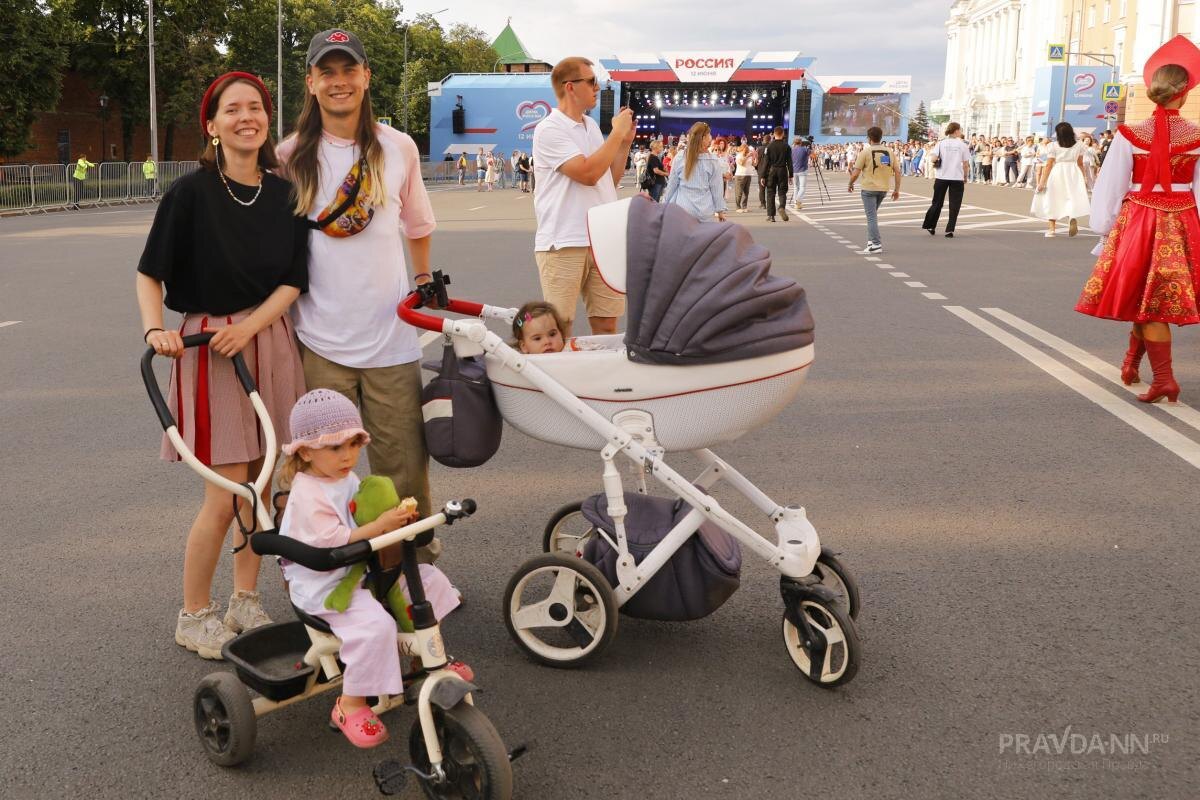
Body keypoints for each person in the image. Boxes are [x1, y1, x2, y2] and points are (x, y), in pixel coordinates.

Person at [135, 71, 309, 659]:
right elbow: (149, 272)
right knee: (225, 490)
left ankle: (243, 599)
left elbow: (293, 281)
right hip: (208, 346)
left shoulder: (284, 192)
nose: (246, 117)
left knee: (261, 486)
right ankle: (193, 613)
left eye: (255, 107)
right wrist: (156, 329)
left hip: (267, 340)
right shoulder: (189, 194)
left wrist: (252, 327)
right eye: (232, 109)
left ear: (267, 120)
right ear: (211, 126)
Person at [276, 29, 442, 554]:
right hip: (319, 339)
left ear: (367, 77)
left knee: (403, 464)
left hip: (391, 337)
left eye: (349, 70)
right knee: (324, 466)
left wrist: (421, 281)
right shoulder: (289, 156)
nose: (340, 82)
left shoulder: (398, 148)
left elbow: (417, 224)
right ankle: (334, 561)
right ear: (311, 82)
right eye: (328, 72)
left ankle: (414, 561)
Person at [277, 389, 465, 748]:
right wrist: (381, 525)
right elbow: (336, 540)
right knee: (374, 627)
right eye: (335, 448)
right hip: (326, 585)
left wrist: (396, 521)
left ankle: (425, 660)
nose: (348, 455)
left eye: (354, 444)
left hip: (363, 570)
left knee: (431, 582)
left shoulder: (343, 478)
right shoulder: (307, 494)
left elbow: (361, 515)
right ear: (304, 451)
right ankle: (350, 703)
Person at [1076, 35, 1200, 404]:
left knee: (1146, 297)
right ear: (1185, 92)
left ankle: (1165, 379)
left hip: (1139, 220)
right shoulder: (1196, 136)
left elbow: (1111, 184)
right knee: (1150, 299)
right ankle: (1131, 361)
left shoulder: (1130, 134)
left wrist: (1105, 227)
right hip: (1183, 221)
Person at [532, 56, 633, 336]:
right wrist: (616, 133)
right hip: (564, 239)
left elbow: (606, 181)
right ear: (570, 87)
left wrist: (623, 144)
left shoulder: (590, 127)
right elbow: (587, 174)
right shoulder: (549, 129)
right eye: (591, 81)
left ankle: (602, 381)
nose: (597, 87)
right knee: (559, 327)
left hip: (601, 239)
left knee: (606, 324)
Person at [847, 126, 901, 254]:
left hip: (868, 188)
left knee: (871, 217)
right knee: (872, 216)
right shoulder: (889, 152)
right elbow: (898, 171)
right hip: (883, 189)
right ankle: (870, 241)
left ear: (869, 138)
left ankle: (876, 243)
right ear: (881, 137)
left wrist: (850, 183)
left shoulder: (865, 152)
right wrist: (896, 189)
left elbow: (855, 173)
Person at [1031, 122, 1090, 237]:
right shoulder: (1079, 145)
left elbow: (1048, 165)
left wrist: (1042, 182)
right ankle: (1072, 217)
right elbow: (1080, 163)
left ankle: (1052, 230)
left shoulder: (1053, 145)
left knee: (1053, 198)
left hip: (1058, 171)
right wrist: (1084, 178)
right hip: (1073, 171)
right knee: (1071, 196)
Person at [663, 121, 728, 223]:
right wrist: (720, 211)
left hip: (682, 211)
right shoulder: (712, 161)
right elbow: (716, 188)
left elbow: (672, 184)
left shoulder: (680, 157)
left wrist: (664, 204)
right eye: (709, 134)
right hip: (704, 213)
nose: (711, 137)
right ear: (703, 138)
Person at [921, 123, 971, 238]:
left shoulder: (941, 143)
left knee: (937, 202)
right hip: (956, 177)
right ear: (956, 131)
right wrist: (965, 176)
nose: (960, 132)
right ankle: (949, 230)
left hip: (942, 176)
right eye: (960, 130)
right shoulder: (962, 144)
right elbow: (965, 163)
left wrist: (937, 159)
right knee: (955, 204)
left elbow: (933, 157)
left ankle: (931, 225)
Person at [758, 127, 793, 222]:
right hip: (782, 170)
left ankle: (771, 216)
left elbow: (766, 162)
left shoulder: (769, 146)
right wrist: (791, 175)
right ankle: (781, 207)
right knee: (782, 192)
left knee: (770, 193)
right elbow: (789, 162)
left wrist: (762, 176)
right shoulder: (787, 146)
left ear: (774, 134)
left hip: (772, 171)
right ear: (782, 134)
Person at [733, 140, 755, 212]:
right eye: (745, 149)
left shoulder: (748, 156)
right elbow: (741, 163)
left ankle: (744, 206)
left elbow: (754, 164)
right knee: (739, 192)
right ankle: (738, 207)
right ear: (742, 149)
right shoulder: (739, 156)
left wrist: (755, 157)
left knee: (746, 192)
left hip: (748, 174)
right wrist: (747, 156)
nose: (747, 150)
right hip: (740, 175)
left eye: (747, 149)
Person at [791, 136, 810, 210]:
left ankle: (796, 204)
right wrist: (809, 148)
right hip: (802, 170)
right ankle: (797, 200)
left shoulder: (792, 150)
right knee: (802, 187)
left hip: (794, 170)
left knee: (796, 187)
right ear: (801, 142)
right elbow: (813, 155)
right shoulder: (805, 149)